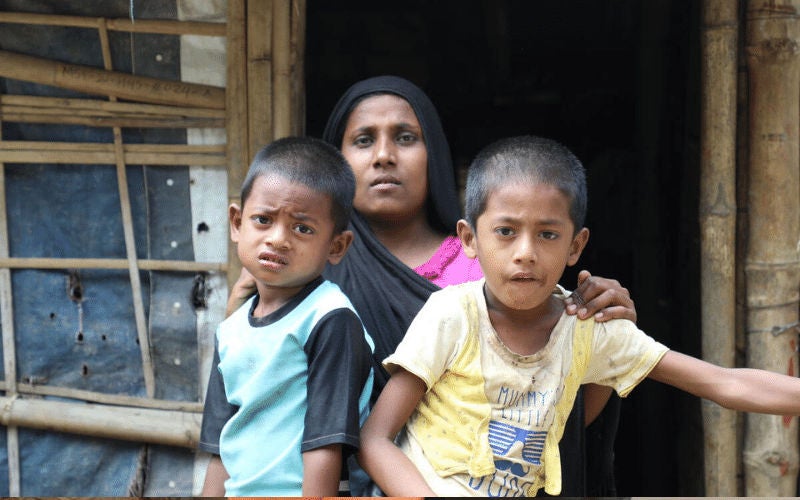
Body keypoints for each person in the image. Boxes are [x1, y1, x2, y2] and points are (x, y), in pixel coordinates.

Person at [226, 75, 636, 495]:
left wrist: (604, 328)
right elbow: (250, 390)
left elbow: (544, 416)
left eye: (405, 137)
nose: (384, 156)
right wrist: (242, 308)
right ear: (337, 159)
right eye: (364, 140)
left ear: (435, 153)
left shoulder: (491, 264)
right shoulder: (297, 265)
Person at [357, 135, 800, 497]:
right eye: (506, 232)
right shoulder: (453, 315)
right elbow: (376, 440)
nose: (526, 253)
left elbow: (724, 383)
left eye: (547, 234)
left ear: (576, 246)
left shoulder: (588, 328)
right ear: (469, 239)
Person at [199, 137, 374, 496]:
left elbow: (326, 444)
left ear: (336, 246)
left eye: (302, 228)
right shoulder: (231, 330)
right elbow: (221, 448)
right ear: (236, 222)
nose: (278, 239)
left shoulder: (329, 320)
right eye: (263, 220)